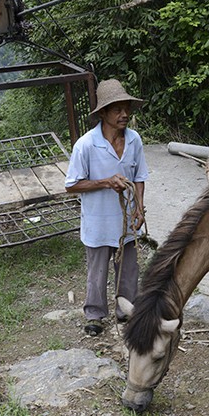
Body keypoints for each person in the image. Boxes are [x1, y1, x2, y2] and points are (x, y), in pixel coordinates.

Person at [65, 78, 149, 336]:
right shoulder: (87, 145)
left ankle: (126, 309)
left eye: (126, 109)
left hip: (126, 222)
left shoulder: (134, 140)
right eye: (117, 110)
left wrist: (139, 209)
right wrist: (105, 182)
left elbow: (139, 177)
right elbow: (71, 185)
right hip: (98, 221)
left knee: (129, 268)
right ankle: (95, 314)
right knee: (97, 272)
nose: (124, 115)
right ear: (103, 113)